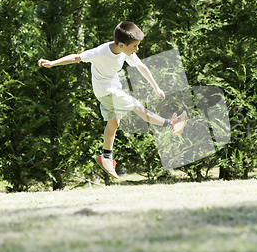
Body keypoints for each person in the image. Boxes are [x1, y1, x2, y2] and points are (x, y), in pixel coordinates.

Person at [37, 21, 187, 179]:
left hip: (112, 90)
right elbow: (77, 57)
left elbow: (141, 66)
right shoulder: (100, 52)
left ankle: (106, 157)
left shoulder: (125, 51)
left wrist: (156, 87)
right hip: (107, 91)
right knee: (136, 106)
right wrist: (53, 63)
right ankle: (171, 125)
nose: (136, 49)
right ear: (122, 44)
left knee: (114, 123)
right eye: (134, 46)